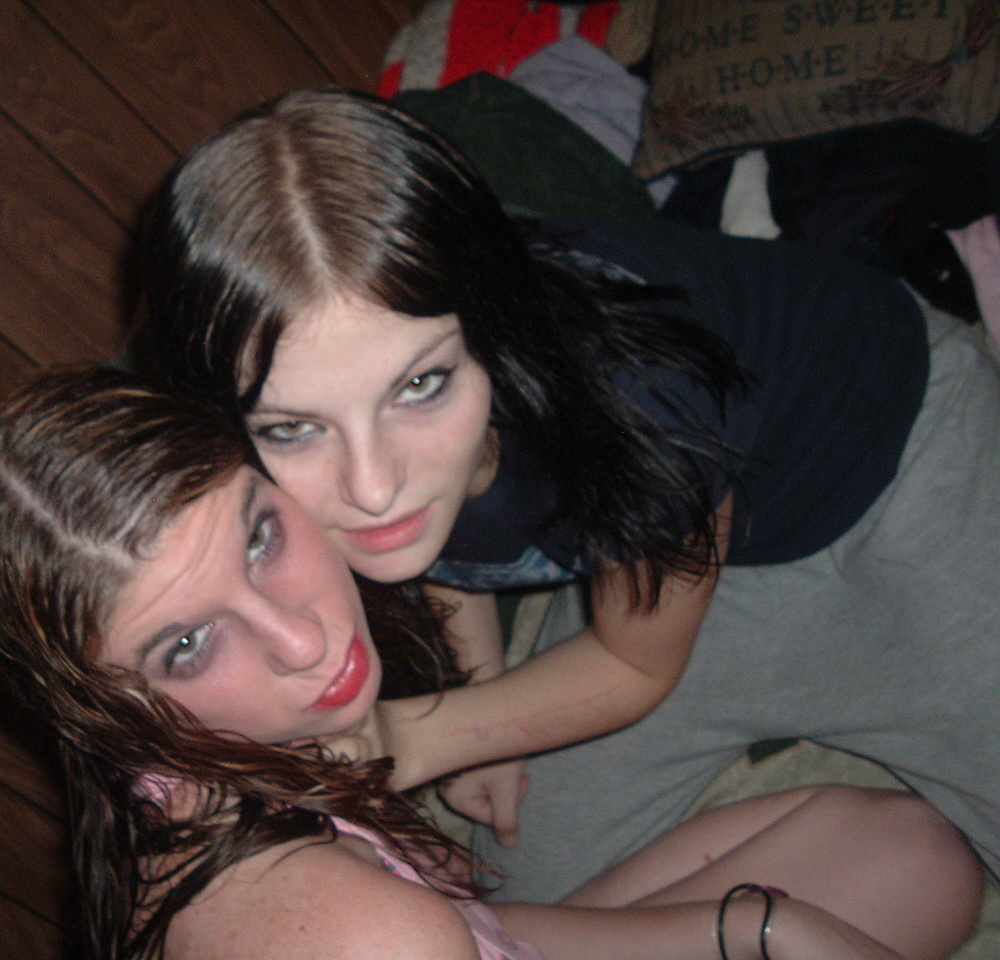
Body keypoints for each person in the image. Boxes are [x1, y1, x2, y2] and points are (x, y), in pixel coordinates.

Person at [125, 88, 1000, 901]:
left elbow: (634, 665)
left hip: (898, 459)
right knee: (515, 880)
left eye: (420, 387)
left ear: (493, 332)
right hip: (688, 569)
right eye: (294, 428)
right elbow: (449, 548)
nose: (374, 485)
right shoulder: (305, 462)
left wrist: (417, 735)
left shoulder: (637, 391)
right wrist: (479, 691)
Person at [0, 366, 981, 960]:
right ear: (92, 703)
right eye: (186, 645)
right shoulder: (357, 937)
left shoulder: (178, 770)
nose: (303, 640)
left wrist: (744, 925)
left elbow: (473, 929)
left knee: (921, 858)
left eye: (258, 536)